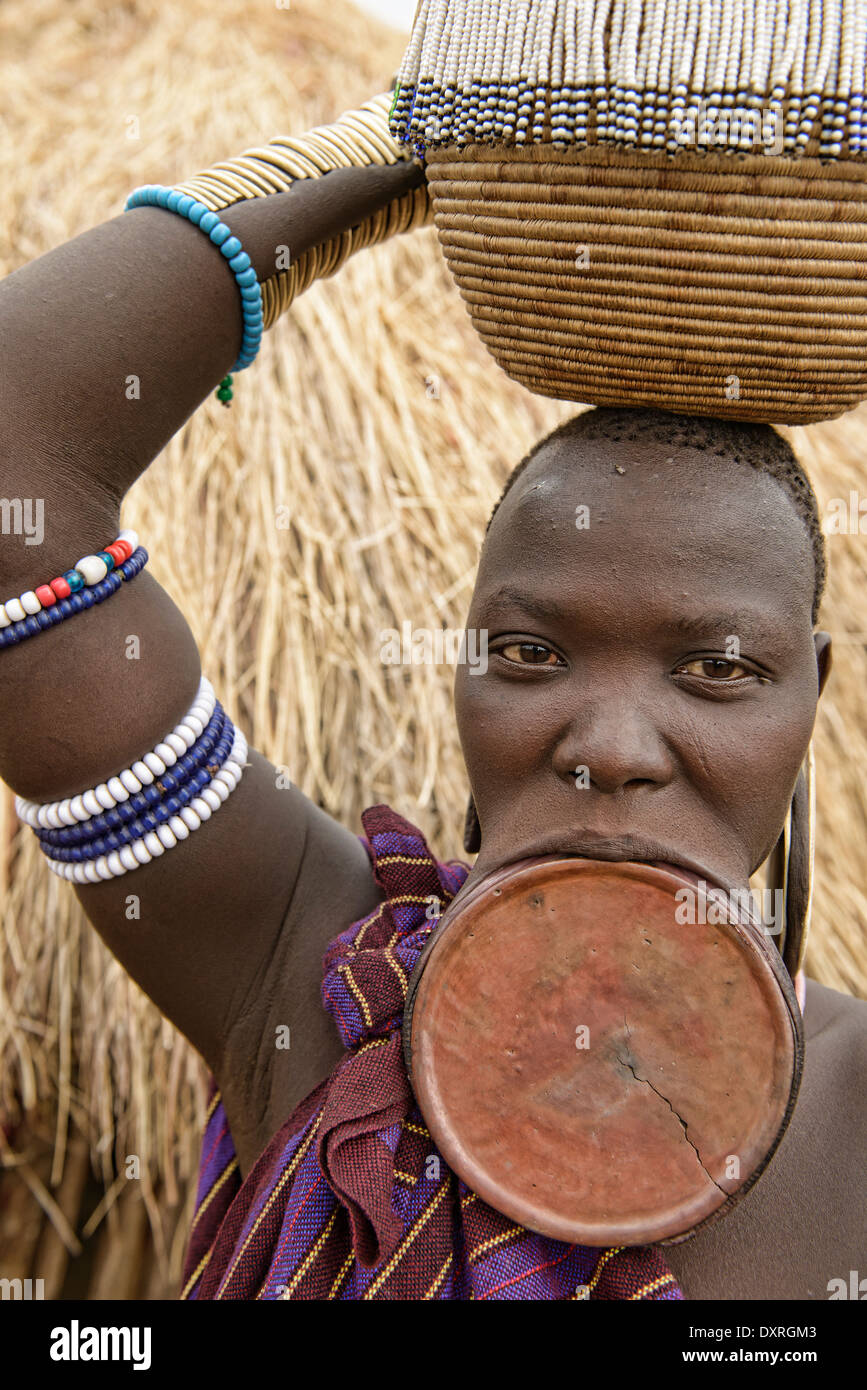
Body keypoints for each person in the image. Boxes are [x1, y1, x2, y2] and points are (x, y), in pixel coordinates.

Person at [0, 156, 863, 1300]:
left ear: (810, 694)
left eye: (715, 667)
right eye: (529, 654)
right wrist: (406, 157)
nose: (609, 744)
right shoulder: (309, 971)